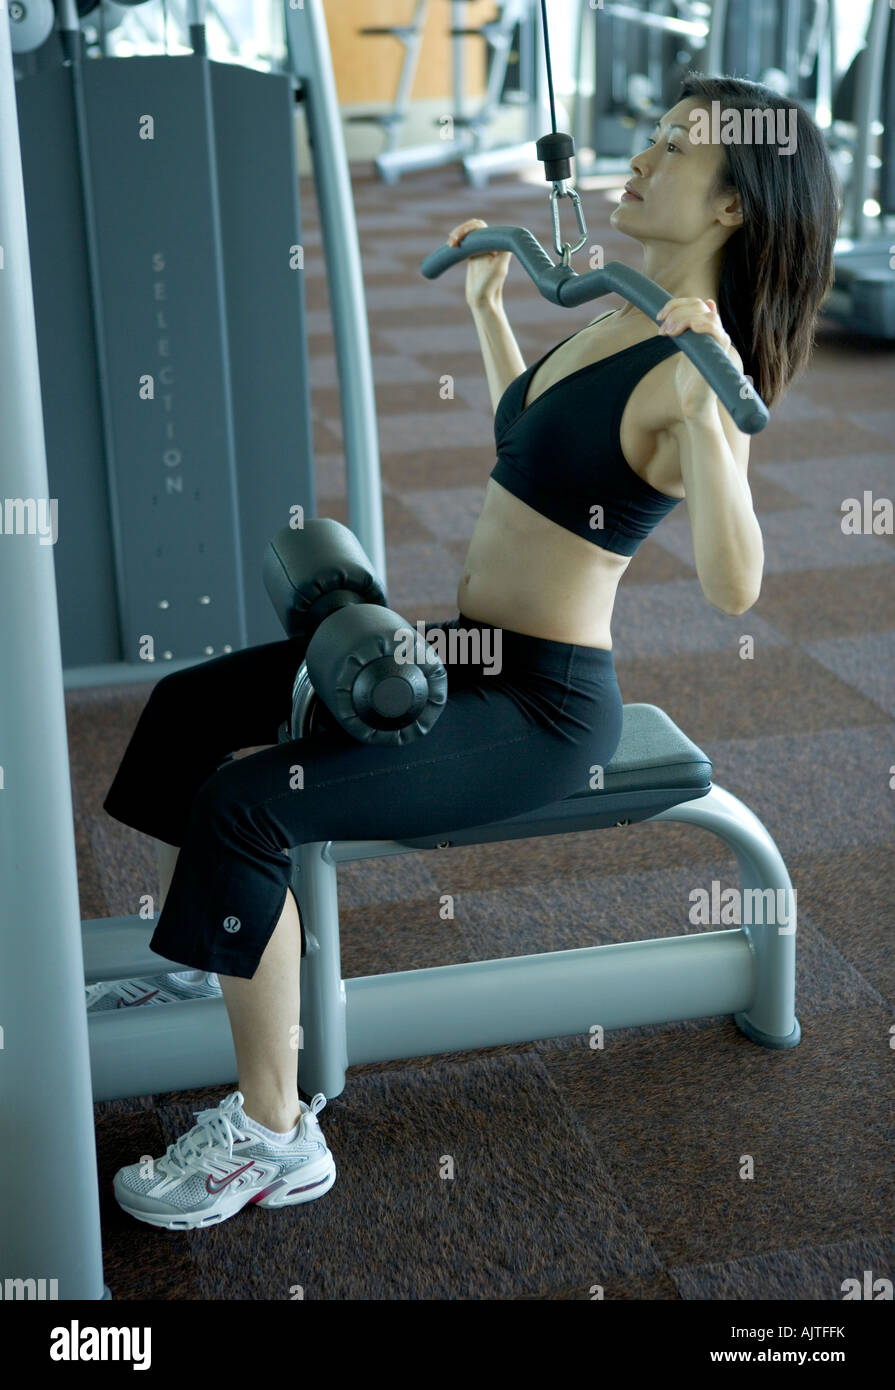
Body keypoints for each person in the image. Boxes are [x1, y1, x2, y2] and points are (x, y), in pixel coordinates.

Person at [104, 73, 838, 1229]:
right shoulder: (619, 313)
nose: (637, 161)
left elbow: (735, 586)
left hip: (541, 708)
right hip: (468, 653)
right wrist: (492, 311)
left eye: (673, 151)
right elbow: (535, 446)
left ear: (734, 206)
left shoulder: (693, 368)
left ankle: (274, 1134)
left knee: (249, 805)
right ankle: (219, 953)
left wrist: (711, 420)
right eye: (646, 140)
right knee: (190, 711)